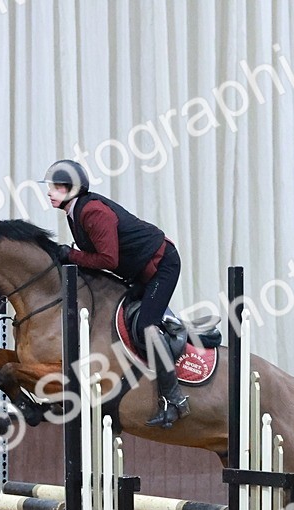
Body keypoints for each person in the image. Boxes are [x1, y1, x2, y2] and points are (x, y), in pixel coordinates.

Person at [41, 159, 190, 428]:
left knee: (146, 325)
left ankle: (175, 399)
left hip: (161, 266)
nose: (49, 192)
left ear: (72, 189)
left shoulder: (93, 212)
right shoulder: (74, 213)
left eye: (56, 187)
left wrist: (70, 254)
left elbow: (108, 260)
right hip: (139, 270)